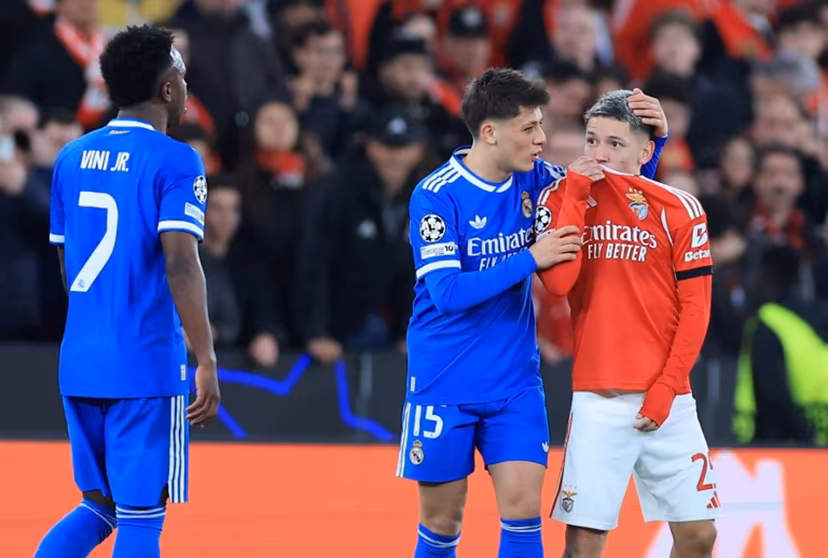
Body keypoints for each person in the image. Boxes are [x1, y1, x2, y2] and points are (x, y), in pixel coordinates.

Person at [397, 68, 668, 557]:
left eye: (542, 125)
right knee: (442, 519)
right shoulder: (436, 195)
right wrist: (530, 258)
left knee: (523, 512)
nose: (542, 138)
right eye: (529, 128)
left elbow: (621, 201)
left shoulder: (540, 179)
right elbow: (448, 292)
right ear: (489, 132)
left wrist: (654, 145)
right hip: (444, 381)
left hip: (514, 384)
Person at [37, 25, 220, 558]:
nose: (186, 87)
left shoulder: (71, 157)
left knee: (100, 505)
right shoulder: (176, 160)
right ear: (167, 90)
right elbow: (182, 263)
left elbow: (66, 261)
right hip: (143, 363)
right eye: (182, 76)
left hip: (81, 359)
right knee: (142, 515)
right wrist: (205, 356)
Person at [536, 89, 717, 557]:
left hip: (669, 401)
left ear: (645, 151)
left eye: (614, 144)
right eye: (591, 140)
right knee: (584, 543)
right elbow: (558, 284)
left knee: (700, 537)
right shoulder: (560, 196)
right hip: (599, 400)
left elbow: (696, 308)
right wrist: (576, 194)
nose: (598, 154)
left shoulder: (680, 207)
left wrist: (667, 387)